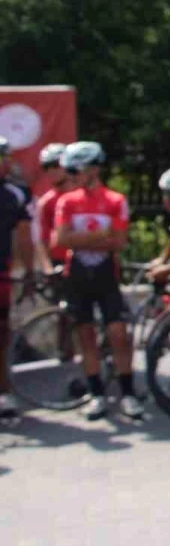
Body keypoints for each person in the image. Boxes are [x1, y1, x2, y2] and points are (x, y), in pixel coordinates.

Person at [50, 141, 142, 420]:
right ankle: (97, 394)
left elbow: (119, 241)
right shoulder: (67, 201)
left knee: (118, 334)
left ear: (92, 169)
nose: (71, 176)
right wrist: (100, 237)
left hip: (106, 275)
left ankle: (127, 394)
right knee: (85, 336)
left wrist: (81, 240)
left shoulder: (115, 201)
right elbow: (60, 239)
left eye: (75, 170)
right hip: (77, 273)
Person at [0, 136, 36, 418]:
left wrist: (29, 274)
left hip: (1, 272)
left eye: (5, 158)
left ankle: (4, 392)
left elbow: (24, 239)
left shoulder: (15, 194)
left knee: (1, 332)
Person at [32, 142, 71, 275]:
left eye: (56, 165)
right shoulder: (46, 202)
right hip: (58, 262)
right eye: (46, 167)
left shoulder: (83, 195)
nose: (51, 171)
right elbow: (41, 238)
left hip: (82, 259)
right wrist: (47, 267)